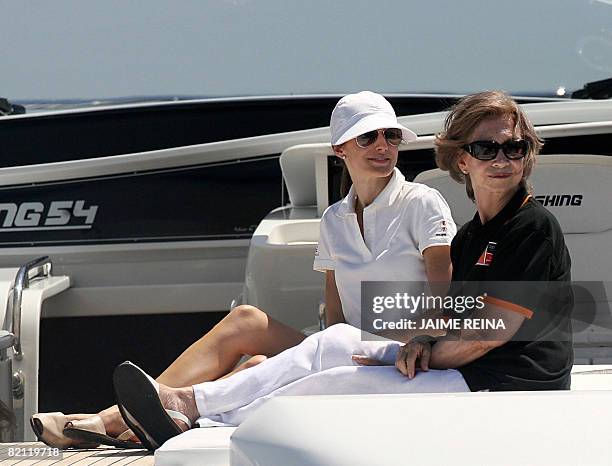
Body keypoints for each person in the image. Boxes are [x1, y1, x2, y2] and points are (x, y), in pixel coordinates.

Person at [110, 91, 573, 451]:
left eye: (514, 148)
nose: (502, 160)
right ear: (462, 158)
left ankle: (194, 415)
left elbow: (486, 335)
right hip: (468, 370)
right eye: (487, 148)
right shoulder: (473, 235)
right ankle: (186, 403)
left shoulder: (531, 227)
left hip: (507, 385)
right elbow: (453, 317)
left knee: (335, 383)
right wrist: (420, 342)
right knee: (332, 342)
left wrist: (416, 352)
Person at [31, 91, 457, 449]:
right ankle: (138, 416)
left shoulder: (421, 202)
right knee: (247, 323)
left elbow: (447, 296)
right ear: (340, 149)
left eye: (391, 136)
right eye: (368, 137)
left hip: (403, 350)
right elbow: (337, 314)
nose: (383, 145)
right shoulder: (333, 219)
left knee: (260, 365)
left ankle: (105, 422)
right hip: (344, 343)